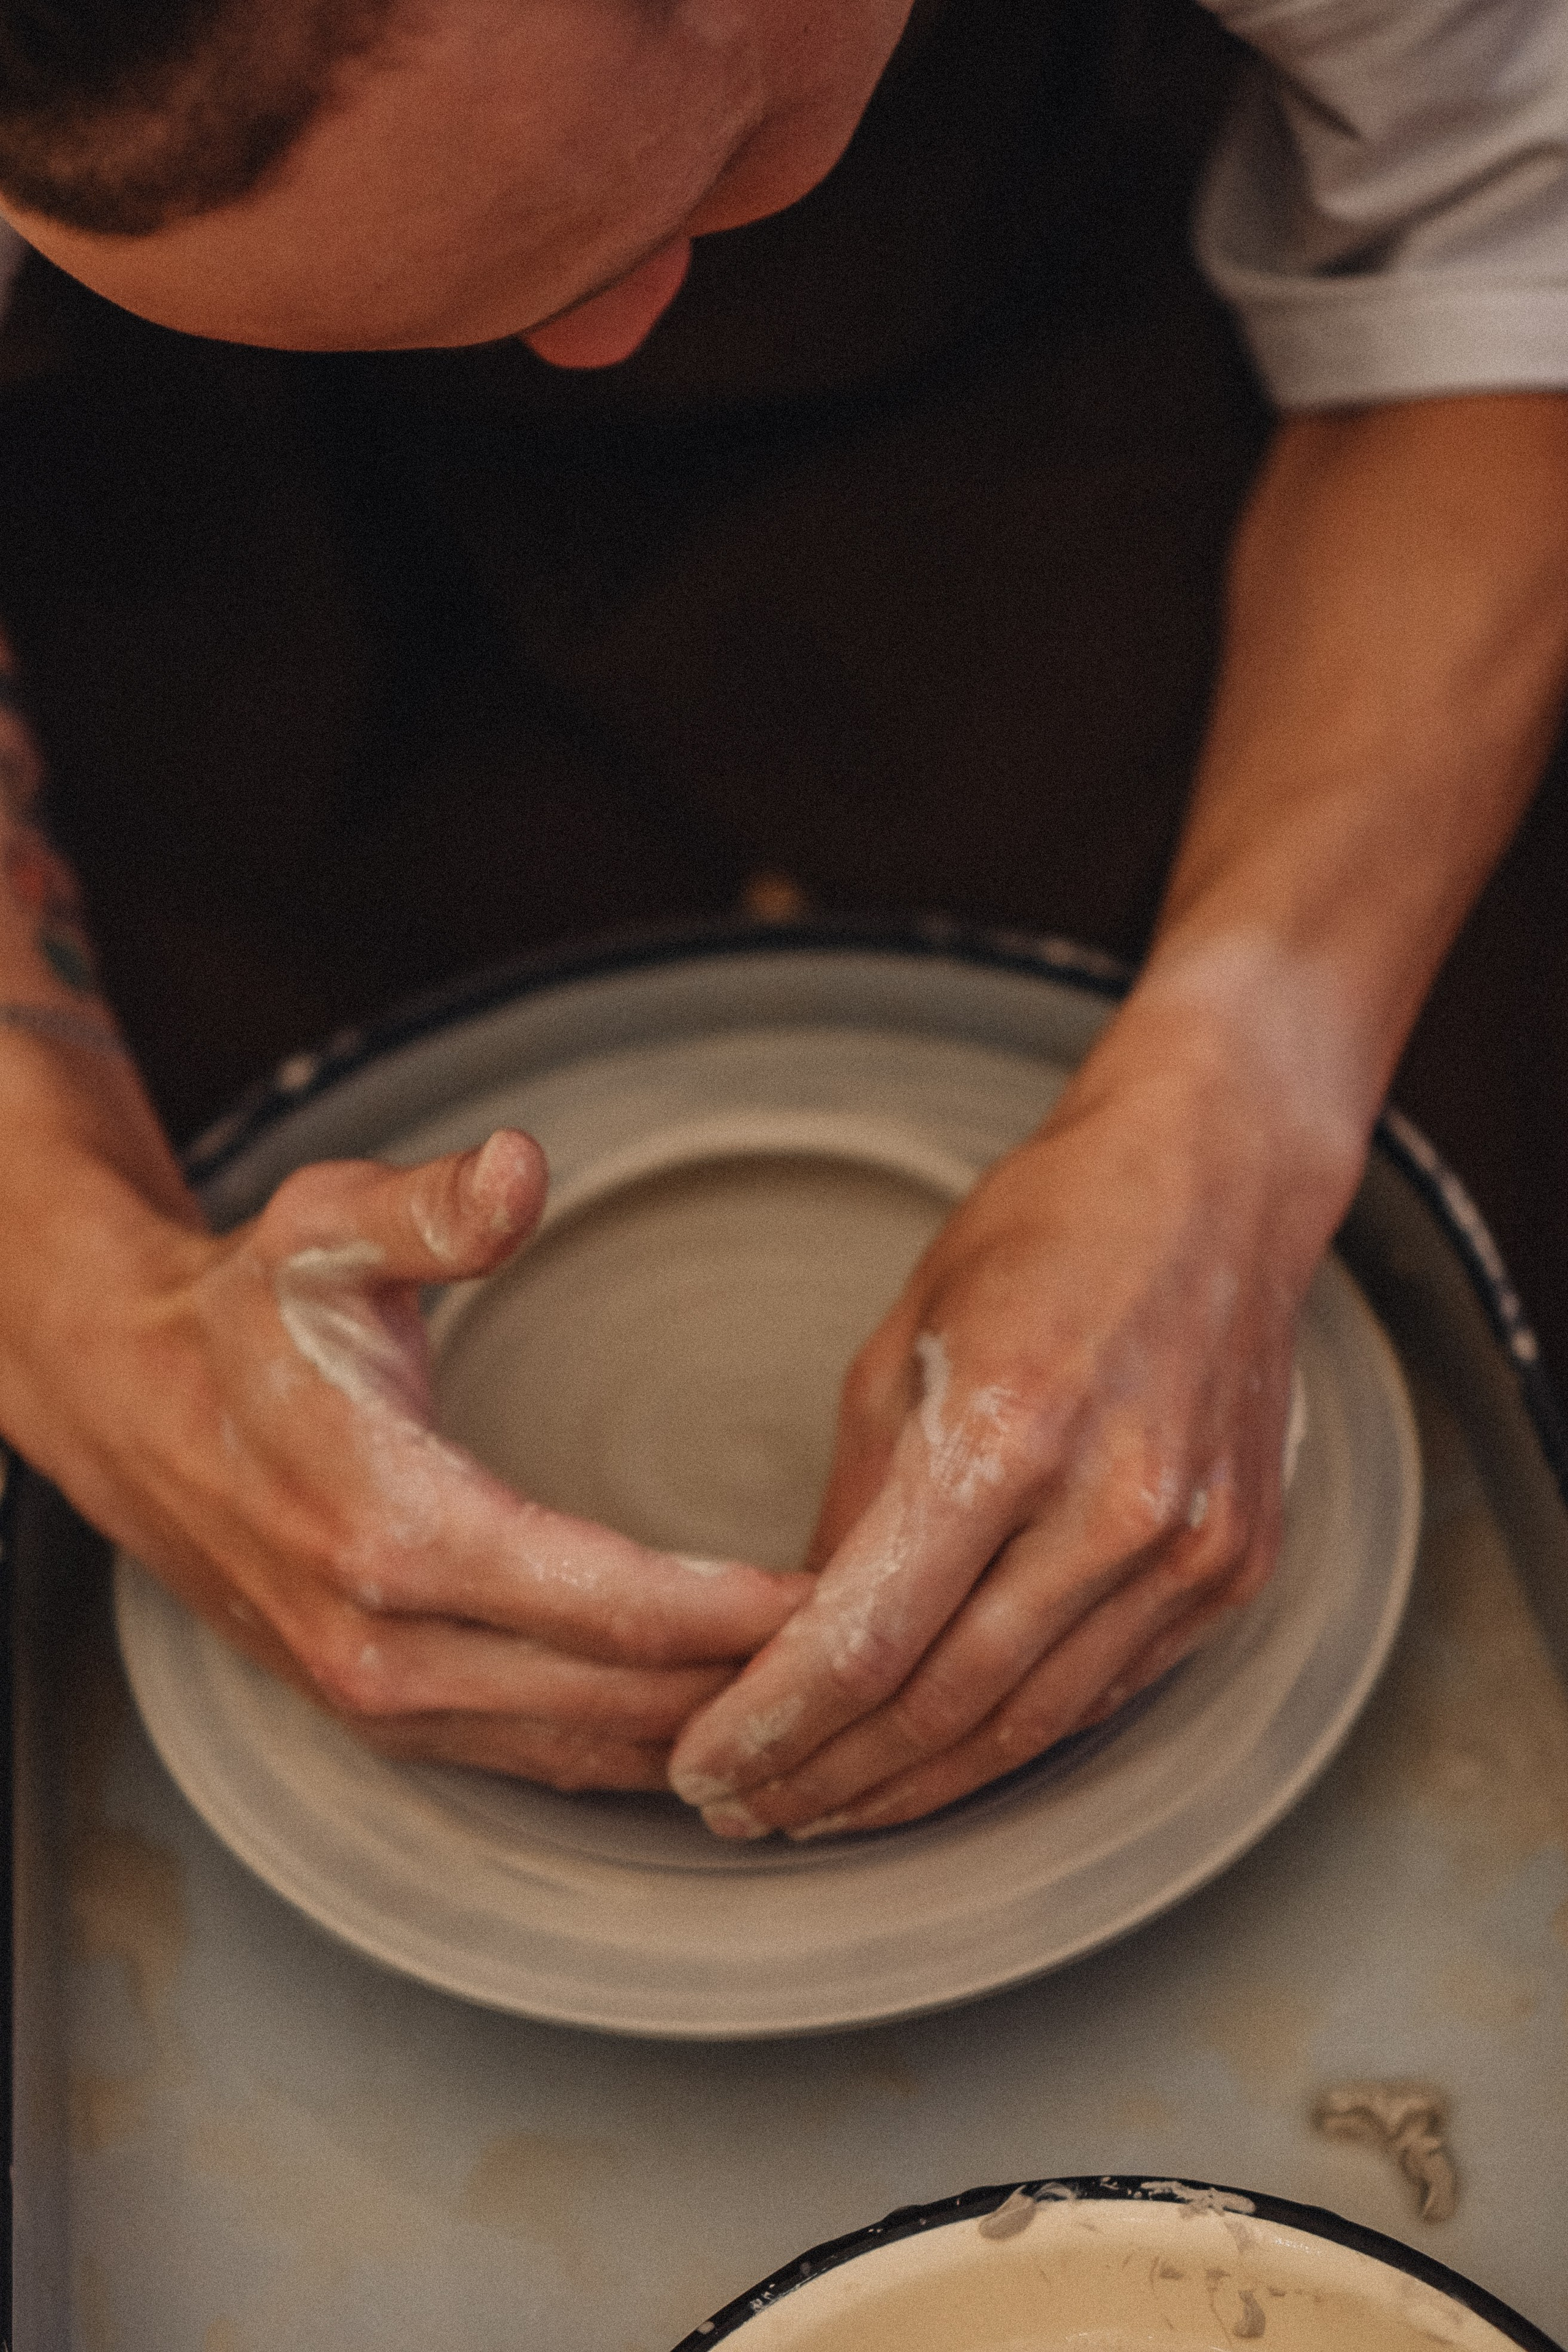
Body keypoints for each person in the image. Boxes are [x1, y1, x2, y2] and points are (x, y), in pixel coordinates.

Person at [1, 0, 1566, 1840]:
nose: (581, 350)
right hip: (157, 450)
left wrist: (1246, 1099)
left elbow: (1500, 245)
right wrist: (80, 1307)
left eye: (702, 168)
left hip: (1013, 270)